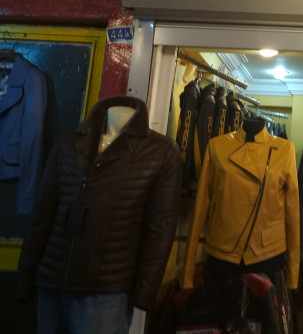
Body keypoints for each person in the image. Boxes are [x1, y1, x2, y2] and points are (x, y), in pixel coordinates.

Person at [16, 96, 181, 334]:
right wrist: (26, 278)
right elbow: (42, 216)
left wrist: (144, 294)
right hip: (51, 282)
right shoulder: (67, 145)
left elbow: (160, 230)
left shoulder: (160, 152)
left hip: (106, 291)